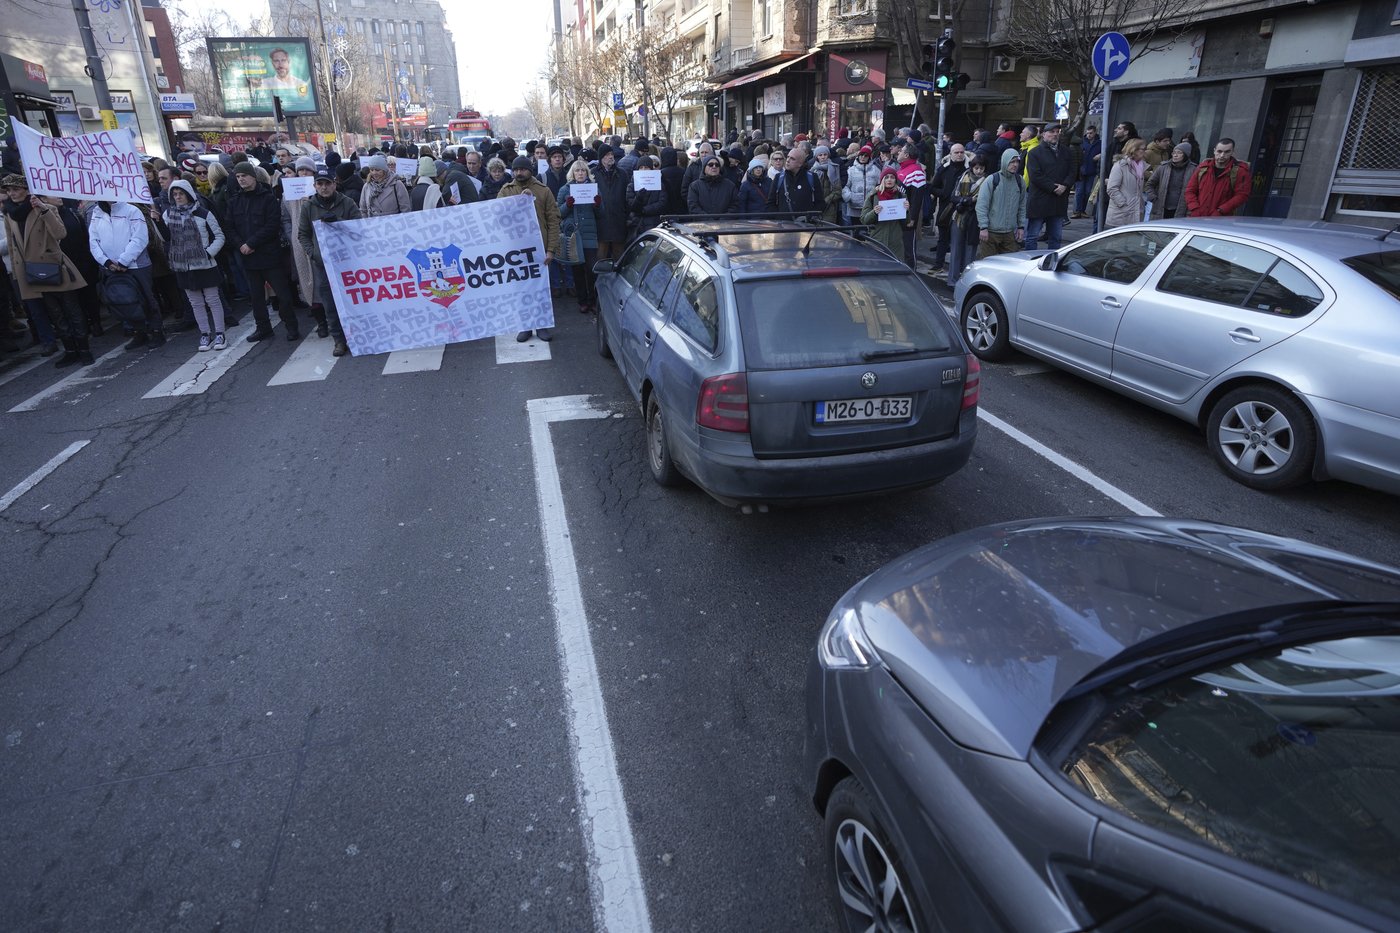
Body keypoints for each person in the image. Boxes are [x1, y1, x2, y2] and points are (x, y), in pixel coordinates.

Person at [1, 175, 92, 366]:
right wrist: (18, 273)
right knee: (55, 313)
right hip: (32, 270)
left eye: (15, 189)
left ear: (26, 190)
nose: (12, 194)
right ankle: (70, 350)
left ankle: (84, 349)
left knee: (72, 310)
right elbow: (12, 245)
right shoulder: (9, 213)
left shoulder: (45, 207)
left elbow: (60, 233)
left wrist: (44, 210)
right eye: (8, 191)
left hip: (54, 265)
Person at [227, 162, 300, 342]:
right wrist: (241, 245)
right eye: (238, 176)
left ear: (253, 176)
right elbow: (229, 227)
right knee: (257, 298)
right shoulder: (234, 201)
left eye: (244, 175)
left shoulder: (267, 198)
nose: (241, 179)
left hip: (269, 256)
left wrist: (251, 243)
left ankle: (291, 326)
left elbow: (272, 225)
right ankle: (263, 328)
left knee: (283, 296)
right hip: (248, 258)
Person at [297, 168, 359, 357]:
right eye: (320, 184)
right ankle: (339, 340)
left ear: (334, 184)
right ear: (315, 186)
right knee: (330, 304)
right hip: (323, 264)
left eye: (327, 183)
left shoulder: (347, 202)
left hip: (348, 262)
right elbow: (303, 234)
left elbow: (359, 228)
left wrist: (338, 221)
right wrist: (314, 253)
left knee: (354, 300)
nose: (323, 187)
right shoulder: (309, 207)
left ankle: (358, 335)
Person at [89, 198, 165, 349]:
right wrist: (106, 262)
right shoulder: (96, 213)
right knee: (126, 301)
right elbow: (93, 241)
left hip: (136, 265)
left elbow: (139, 238)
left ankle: (157, 331)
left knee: (146, 298)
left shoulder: (132, 210)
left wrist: (123, 261)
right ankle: (139, 332)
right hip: (111, 267)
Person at [501, 156, 560, 343]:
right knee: (521, 290)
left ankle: (541, 325)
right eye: (516, 170)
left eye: (522, 169)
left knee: (540, 289)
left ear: (530, 170)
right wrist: (518, 202)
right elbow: (497, 217)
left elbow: (553, 221)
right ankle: (525, 325)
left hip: (539, 250)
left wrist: (551, 249)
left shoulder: (543, 191)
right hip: (515, 250)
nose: (519, 173)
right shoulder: (506, 191)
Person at [163, 180, 228, 351]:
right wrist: (157, 222)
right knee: (195, 303)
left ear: (189, 195)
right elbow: (165, 238)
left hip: (205, 265)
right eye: (174, 194)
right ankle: (205, 334)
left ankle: (220, 333)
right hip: (183, 266)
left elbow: (219, 236)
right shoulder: (168, 215)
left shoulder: (203, 213)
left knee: (213, 300)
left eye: (181, 194)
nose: (178, 197)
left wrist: (208, 253)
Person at [1024, 122, 1076, 250]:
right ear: (1043, 134)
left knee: (1055, 237)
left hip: (1058, 201)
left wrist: (1065, 185)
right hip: (1039, 200)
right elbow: (1035, 175)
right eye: (1052, 132)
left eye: (1057, 132)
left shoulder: (1066, 151)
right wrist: (1053, 188)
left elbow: (1073, 171)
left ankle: (1053, 261)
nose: (1055, 134)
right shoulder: (1035, 152)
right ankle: (1030, 260)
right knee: (1032, 236)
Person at [558, 159, 600, 313]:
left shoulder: (594, 188)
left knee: (591, 270)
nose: (580, 173)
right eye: (577, 170)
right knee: (577, 270)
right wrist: (567, 205)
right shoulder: (565, 189)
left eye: (583, 170)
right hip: (574, 235)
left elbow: (601, 214)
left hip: (589, 234)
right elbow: (558, 213)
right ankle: (582, 301)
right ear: (573, 173)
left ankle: (593, 300)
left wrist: (597, 204)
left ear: (587, 173)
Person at [975, 150, 1027, 258]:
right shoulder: (992, 179)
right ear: (1005, 161)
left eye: (1017, 162)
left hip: (1010, 233)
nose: (1015, 165)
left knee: (1010, 264)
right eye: (1012, 162)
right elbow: (981, 205)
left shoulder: (1019, 181)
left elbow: (1022, 206)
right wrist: (983, 227)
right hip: (991, 232)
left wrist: (1021, 227)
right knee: (988, 263)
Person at [947, 156, 989, 287]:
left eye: (981, 168)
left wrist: (965, 201)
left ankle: (966, 282)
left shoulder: (987, 181)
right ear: (972, 168)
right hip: (959, 217)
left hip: (975, 218)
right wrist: (967, 200)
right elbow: (953, 197)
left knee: (970, 251)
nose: (979, 171)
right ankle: (952, 281)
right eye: (976, 168)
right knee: (955, 250)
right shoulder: (963, 177)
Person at [1184, 138, 1251, 218]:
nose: (1222, 155)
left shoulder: (1240, 171)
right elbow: (1190, 190)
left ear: (1232, 152)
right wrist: (1195, 208)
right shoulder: (1202, 168)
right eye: (1219, 151)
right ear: (1214, 151)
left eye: (1227, 152)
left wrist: (1221, 211)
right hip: (1198, 217)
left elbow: (1242, 195)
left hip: (1222, 219)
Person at [930, 143, 967, 272]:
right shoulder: (944, 169)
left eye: (961, 152)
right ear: (950, 154)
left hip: (962, 210)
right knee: (943, 239)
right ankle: (938, 265)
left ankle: (959, 268)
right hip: (945, 209)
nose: (959, 155)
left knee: (960, 240)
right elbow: (932, 187)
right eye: (956, 152)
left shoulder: (968, 170)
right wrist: (944, 193)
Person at [859, 167, 906, 258]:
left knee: (894, 266)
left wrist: (906, 210)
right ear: (882, 180)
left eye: (892, 177)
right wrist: (874, 212)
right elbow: (864, 220)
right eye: (886, 177)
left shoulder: (901, 196)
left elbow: (906, 223)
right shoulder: (873, 196)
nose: (889, 180)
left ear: (895, 180)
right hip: (876, 240)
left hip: (895, 243)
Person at [593, 148, 630, 263]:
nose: (610, 157)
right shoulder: (593, 174)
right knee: (600, 258)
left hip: (618, 221)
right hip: (600, 222)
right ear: (601, 157)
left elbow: (627, 197)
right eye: (607, 154)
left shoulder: (622, 173)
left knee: (619, 258)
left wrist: (626, 215)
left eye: (612, 154)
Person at [1145, 143, 1197, 220]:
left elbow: (1196, 190)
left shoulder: (1193, 170)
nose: (1175, 155)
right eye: (1174, 152)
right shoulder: (1163, 167)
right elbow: (1150, 184)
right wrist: (1152, 196)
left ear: (1186, 155)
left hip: (1181, 209)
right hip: (1161, 207)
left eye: (1179, 153)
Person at [1105, 138, 1148, 228]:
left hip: (1136, 211)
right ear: (1134, 150)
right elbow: (1112, 188)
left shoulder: (1142, 166)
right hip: (1121, 212)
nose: (1145, 151)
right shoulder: (1120, 165)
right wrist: (1123, 204)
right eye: (1143, 149)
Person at [773, 148, 822, 214]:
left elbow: (820, 203)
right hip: (783, 220)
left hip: (806, 220)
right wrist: (778, 217)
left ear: (800, 163)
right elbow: (771, 203)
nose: (788, 160)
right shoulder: (778, 177)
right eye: (788, 157)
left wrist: (810, 217)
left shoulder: (812, 177)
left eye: (792, 159)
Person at [842, 145, 880, 225]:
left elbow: (879, 185)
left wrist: (876, 198)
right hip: (854, 206)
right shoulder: (851, 170)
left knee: (869, 228)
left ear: (869, 157)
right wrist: (849, 196)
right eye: (861, 155)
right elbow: (845, 186)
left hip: (870, 207)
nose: (863, 157)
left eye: (866, 156)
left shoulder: (876, 170)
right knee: (856, 229)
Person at [1072, 126, 1100, 218]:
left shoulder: (1099, 143)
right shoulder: (1082, 143)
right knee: (1079, 191)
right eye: (1087, 133)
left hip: (1091, 170)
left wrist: (1100, 156)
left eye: (1091, 133)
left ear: (1095, 132)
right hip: (1081, 170)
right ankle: (1077, 211)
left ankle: (1083, 210)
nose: (1089, 135)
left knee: (1087, 191)